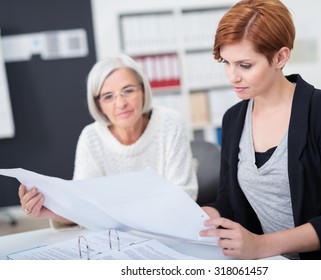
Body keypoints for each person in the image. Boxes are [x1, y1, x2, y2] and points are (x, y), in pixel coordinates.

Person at [199, 0, 321, 259]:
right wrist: (200, 217)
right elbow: (229, 202)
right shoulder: (233, 119)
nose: (232, 76)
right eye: (226, 62)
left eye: (245, 65)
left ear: (280, 57)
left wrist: (261, 245)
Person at [19, 54, 198, 229]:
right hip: (119, 240)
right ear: (98, 105)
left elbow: (184, 195)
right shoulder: (91, 138)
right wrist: (46, 211)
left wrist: (115, 214)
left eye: (128, 90)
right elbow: (84, 208)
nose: (120, 103)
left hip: (168, 229)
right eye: (108, 96)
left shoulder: (170, 123)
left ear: (143, 90)